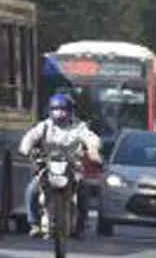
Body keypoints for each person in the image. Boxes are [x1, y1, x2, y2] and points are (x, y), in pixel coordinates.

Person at [19, 93, 102, 238]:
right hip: (48, 165)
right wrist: (26, 149)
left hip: (72, 166)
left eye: (64, 109)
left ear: (71, 111)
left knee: (82, 188)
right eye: (56, 109)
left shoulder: (79, 127)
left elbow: (91, 138)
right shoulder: (45, 126)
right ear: (50, 110)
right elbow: (30, 137)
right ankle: (34, 224)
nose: (60, 112)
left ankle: (81, 225)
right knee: (32, 189)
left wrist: (93, 149)